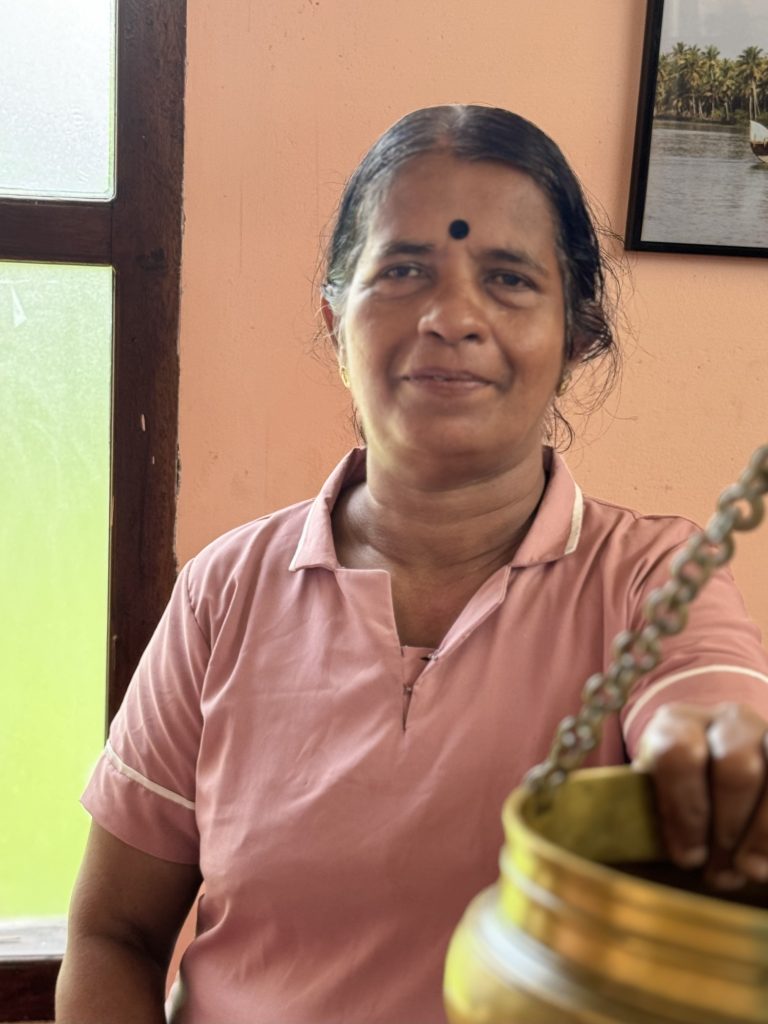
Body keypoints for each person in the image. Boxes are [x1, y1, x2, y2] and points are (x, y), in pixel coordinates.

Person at [56, 105, 768, 1024]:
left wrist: (712, 750)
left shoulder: (652, 579)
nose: (450, 317)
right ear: (334, 318)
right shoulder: (225, 590)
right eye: (402, 271)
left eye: (508, 279)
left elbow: (710, 704)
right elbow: (113, 934)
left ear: (575, 334)